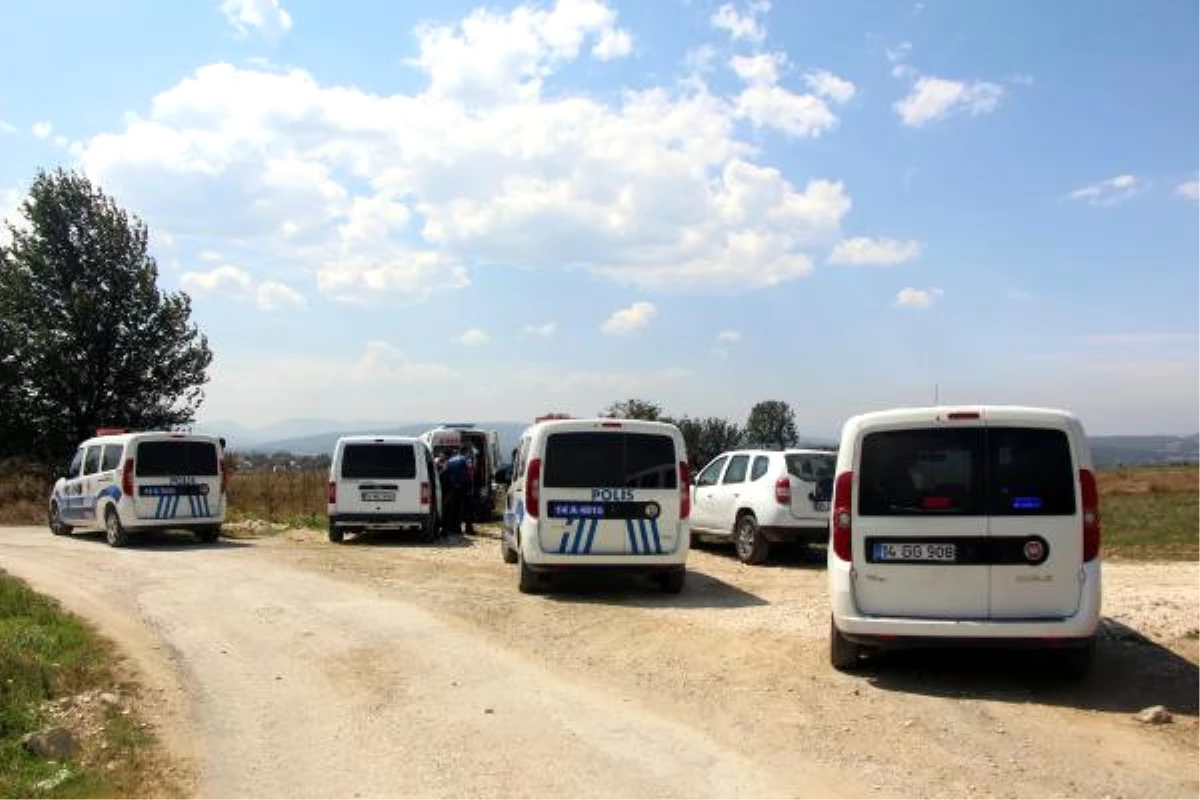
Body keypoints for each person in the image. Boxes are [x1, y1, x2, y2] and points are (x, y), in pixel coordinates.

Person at [442, 446, 475, 535]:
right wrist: (471, 485)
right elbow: (470, 471)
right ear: (465, 452)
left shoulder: (450, 461)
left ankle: (456, 528)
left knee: (456, 508)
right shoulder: (466, 459)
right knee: (468, 507)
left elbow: (446, 472)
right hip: (465, 485)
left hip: (454, 486)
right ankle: (468, 528)